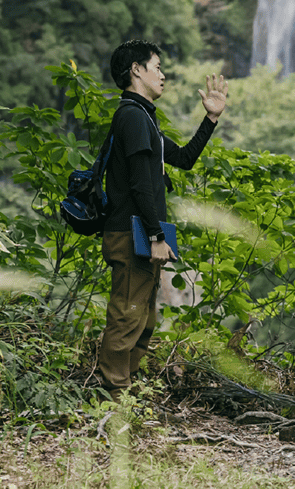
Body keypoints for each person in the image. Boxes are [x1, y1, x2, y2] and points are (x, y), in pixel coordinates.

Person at [95, 40, 228, 395]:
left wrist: (210, 118)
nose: (162, 74)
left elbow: (183, 158)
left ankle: (125, 390)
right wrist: (156, 237)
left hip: (142, 233)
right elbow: (140, 185)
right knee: (127, 314)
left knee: (145, 318)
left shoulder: (144, 118)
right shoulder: (132, 117)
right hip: (132, 233)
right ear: (136, 70)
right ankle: (113, 393)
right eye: (156, 66)